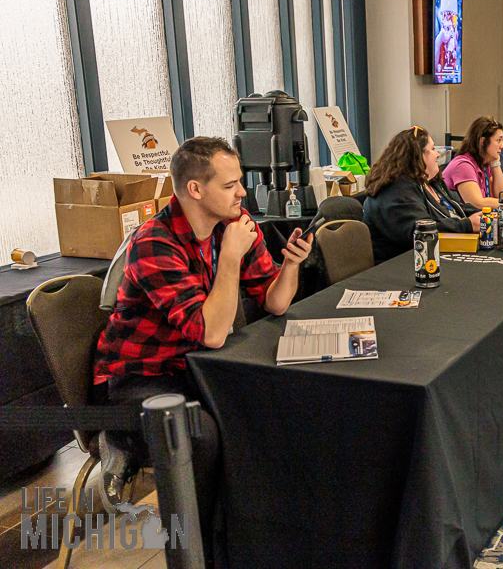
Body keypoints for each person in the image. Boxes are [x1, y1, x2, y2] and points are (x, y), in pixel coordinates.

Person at [92, 137, 312, 555]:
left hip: (196, 365)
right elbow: (211, 332)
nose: (242, 192)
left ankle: (254, 541)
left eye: (239, 182)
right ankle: (199, 553)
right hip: (139, 378)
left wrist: (291, 264)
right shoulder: (154, 243)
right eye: (230, 185)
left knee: (270, 406)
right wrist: (229, 258)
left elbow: (275, 301)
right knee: (201, 437)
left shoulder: (234, 224)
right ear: (195, 189)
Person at [364, 126, 482, 264]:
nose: (437, 154)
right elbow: (422, 230)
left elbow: (453, 208)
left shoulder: (430, 182)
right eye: (432, 149)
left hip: (434, 257)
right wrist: (467, 224)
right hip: (401, 265)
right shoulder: (396, 190)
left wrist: (483, 214)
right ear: (418, 155)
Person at [443, 116, 503, 210]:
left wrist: (495, 163)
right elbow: (477, 203)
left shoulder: (484, 163)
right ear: (483, 142)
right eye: (498, 140)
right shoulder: (463, 165)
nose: (502, 146)